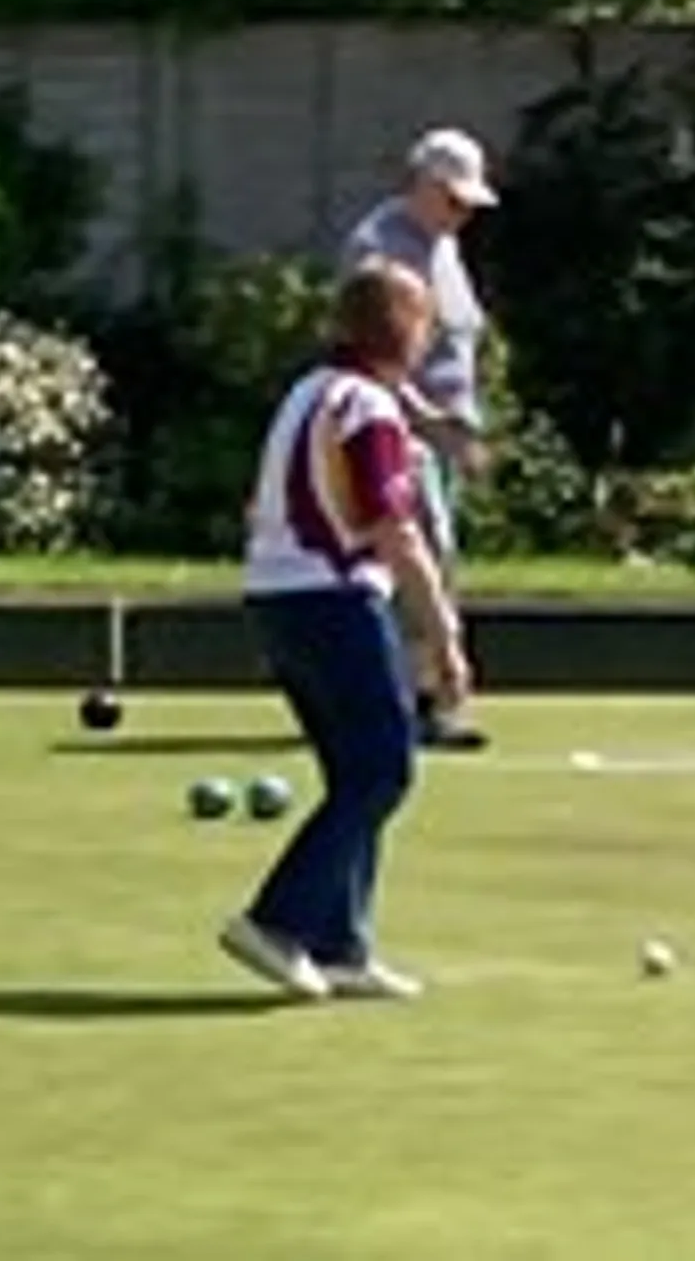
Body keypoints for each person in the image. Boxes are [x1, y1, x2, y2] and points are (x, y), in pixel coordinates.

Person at [218, 258, 471, 1003]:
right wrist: (444, 635)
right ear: (403, 328)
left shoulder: (308, 393)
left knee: (352, 772)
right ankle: (277, 921)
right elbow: (396, 530)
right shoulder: (366, 406)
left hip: (277, 598)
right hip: (331, 598)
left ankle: (340, 945)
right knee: (383, 769)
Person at [339, 127, 498, 751]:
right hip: (399, 430)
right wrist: (432, 423)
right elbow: (375, 356)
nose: (463, 215)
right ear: (422, 184)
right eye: (453, 200)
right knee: (421, 559)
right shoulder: (377, 248)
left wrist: (464, 427)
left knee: (432, 559)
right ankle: (417, 701)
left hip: (443, 432)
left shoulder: (443, 246)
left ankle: (411, 697)